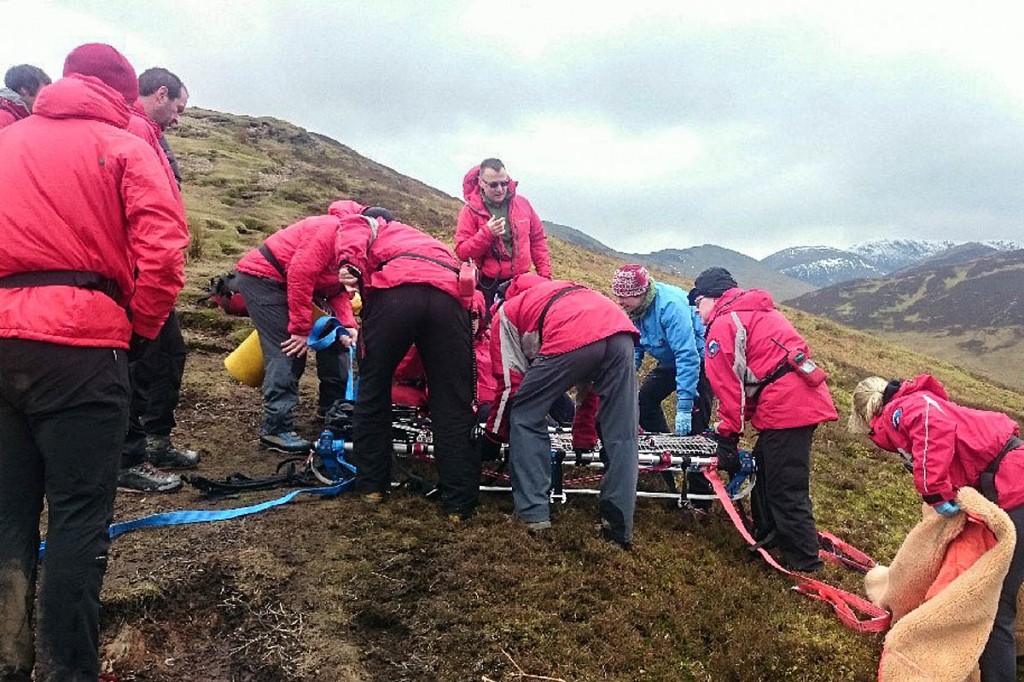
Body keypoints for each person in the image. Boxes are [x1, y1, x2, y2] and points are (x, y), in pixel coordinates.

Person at [0, 43, 188, 682]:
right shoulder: (129, 147)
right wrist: (138, 332)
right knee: (80, 517)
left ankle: (8, 657)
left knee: (9, 513)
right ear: (124, 91)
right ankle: (67, 670)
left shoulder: (9, 140)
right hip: (82, 348)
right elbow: (163, 255)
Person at [850, 374, 1024, 681]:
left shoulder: (900, 411)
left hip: (1015, 487)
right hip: (1010, 482)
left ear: (868, 415)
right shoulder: (916, 402)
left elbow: (933, 425)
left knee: (994, 604)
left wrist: (933, 490)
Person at [334, 210, 480, 521]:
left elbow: (353, 229)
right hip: (448, 300)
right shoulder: (430, 242)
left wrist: (349, 265)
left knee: (373, 389)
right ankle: (459, 503)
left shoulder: (375, 225)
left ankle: (372, 487)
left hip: (396, 292)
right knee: (453, 402)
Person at [691, 267, 837, 572]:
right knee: (765, 471)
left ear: (712, 297)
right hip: (793, 401)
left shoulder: (723, 325)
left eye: (699, 301)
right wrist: (733, 427)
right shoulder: (754, 311)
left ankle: (805, 564)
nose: (696, 309)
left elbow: (729, 389)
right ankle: (770, 536)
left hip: (787, 407)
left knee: (785, 487)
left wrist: (727, 437)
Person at [484, 273, 640, 547]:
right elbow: (589, 385)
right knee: (622, 433)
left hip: (574, 332)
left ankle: (532, 514)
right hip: (619, 330)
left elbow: (510, 387)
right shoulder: (564, 293)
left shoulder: (506, 312)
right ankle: (618, 528)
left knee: (526, 415)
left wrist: (493, 436)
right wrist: (583, 435)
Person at [119, 66, 196, 493]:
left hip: (148, 269)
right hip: (138, 271)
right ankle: (129, 457)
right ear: (161, 94)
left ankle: (154, 440)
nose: (179, 119)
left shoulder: (147, 133)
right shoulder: (133, 130)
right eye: (178, 108)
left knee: (167, 356)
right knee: (139, 360)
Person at [232, 200, 362, 453]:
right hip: (264, 279)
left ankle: (333, 411)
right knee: (289, 350)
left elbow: (335, 290)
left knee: (336, 340)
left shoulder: (353, 247)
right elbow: (300, 275)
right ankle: (276, 429)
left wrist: (347, 325)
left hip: (300, 287)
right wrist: (300, 330)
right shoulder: (329, 230)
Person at [611, 263, 713, 506]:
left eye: (624, 296)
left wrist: (685, 404)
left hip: (697, 362)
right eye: (618, 295)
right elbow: (634, 347)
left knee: (695, 431)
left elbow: (688, 356)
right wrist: (626, 378)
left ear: (641, 293)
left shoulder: (670, 306)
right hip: (669, 360)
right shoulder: (634, 311)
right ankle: (664, 458)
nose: (620, 301)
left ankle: (701, 499)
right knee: (644, 401)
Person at [455, 158, 552, 307]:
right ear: (481, 182)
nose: (500, 189)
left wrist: (545, 278)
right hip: (489, 286)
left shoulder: (523, 204)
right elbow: (462, 252)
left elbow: (538, 240)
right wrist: (487, 233)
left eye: (504, 183)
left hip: (521, 282)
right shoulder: (469, 212)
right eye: (493, 185)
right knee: (491, 328)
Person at [0, 64, 50, 128]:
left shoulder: (18, 113)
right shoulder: (4, 117)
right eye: (44, 91)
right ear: (24, 90)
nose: (48, 96)